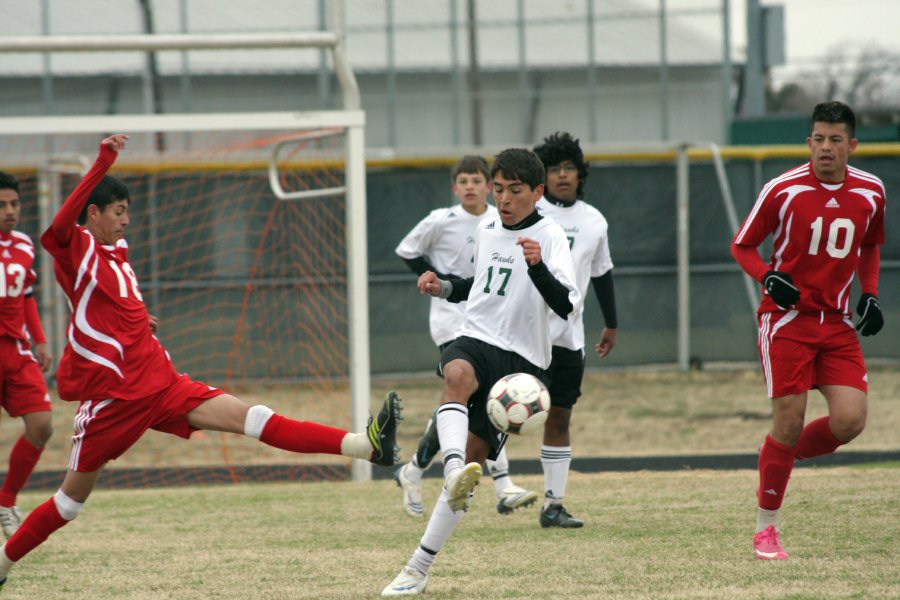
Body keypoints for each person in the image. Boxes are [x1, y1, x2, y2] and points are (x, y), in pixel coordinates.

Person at [0, 134, 402, 593]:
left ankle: (366, 447)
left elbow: (112, 304)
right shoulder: (76, 249)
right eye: (117, 212)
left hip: (164, 383)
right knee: (70, 502)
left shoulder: (118, 255)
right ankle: (3, 563)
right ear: (92, 214)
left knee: (256, 418)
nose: (126, 221)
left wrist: (136, 319)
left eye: (128, 212)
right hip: (115, 401)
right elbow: (56, 230)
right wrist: (102, 162)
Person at [382, 148, 580, 596]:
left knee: (474, 461)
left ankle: (418, 566)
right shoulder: (487, 225)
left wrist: (538, 268)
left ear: (537, 193)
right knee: (455, 374)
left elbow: (566, 304)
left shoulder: (550, 237)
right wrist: (445, 286)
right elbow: (482, 285)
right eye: (499, 189)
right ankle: (452, 468)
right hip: (479, 336)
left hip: (523, 363)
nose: (504, 199)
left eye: (515, 191)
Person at [731, 101, 886, 560]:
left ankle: (777, 458)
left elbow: (872, 245)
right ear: (808, 143)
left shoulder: (872, 191)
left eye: (835, 140)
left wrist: (871, 294)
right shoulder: (783, 189)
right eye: (818, 139)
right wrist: (767, 276)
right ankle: (766, 529)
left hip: (835, 324)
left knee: (850, 421)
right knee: (789, 420)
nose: (825, 148)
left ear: (851, 145)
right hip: (786, 323)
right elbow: (743, 246)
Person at [393, 155, 538, 518]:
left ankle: (413, 471)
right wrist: (440, 281)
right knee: (484, 396)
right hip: (450, 319)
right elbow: (407, 250)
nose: (470, 186)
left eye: (477, 180)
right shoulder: (440, 220)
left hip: (487, 320)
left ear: (489, 186)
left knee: (471, 402)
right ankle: (503, 484)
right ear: (454, 187)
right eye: (463, 181)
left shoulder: (499, 219)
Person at [532, 132, 618, 528]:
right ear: (542, 177)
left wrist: (611, 322)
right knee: (500, 413)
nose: (562, 176)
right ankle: (472, 487)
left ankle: (553, 504)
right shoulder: (528, 216)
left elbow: (601, 273)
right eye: (554, 169)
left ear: (580, 174)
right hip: (525, 336)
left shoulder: (593, 220)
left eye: (569, 168)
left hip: (569, 337)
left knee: (560, 417)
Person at [0, 172, 53, 540]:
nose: (10, 211)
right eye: (1, 205)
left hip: (17, 351)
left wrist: (41, 339)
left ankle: (6, 501)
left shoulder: (23, 244)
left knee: (42, 425)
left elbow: (28, 295)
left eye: (15, 204)